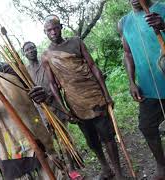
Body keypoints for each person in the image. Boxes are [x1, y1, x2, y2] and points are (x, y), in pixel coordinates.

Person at [0, 32, 66, 179]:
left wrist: (40, 94)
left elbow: (34, 92)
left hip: (33, 130)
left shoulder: (13, 68)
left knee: (52, 173)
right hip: (8, 142)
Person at [41, 15, 125, 179]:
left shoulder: (76, 42)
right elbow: (52, 84)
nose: (53, 32)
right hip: (74, 102)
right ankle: (106, 168)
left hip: (94, 96)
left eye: (55, 28)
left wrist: (106, 94)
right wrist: (64, 108)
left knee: (107, 135)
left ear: (61, 27)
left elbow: (93, 66)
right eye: (49, 30)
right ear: (45, 32)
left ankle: (119, 172)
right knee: (91, 139)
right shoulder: (46, 56)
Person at [118, 0, 165, 178]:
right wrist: (131, 81)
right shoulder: (124, 22)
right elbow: (128, 53)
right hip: (148, 87)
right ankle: (162, 164)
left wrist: (164, 25)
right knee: (147, 127)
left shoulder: (162, 8)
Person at [22, 41, 81, 179]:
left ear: (36, 49)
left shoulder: (45, 62)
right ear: (24, 53)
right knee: (49, 142)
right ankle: (61, 170)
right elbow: (26, 93)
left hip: (55, 105)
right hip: (41, 111)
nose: (31, 50)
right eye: (27, 49)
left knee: (64, 138)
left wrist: (50, 95)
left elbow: (57, 81)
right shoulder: (24, 71)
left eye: (32, 47)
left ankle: (72, 169)